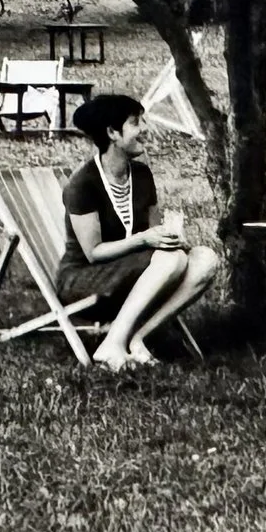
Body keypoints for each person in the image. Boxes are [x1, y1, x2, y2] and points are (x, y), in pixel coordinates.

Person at [59, 93, 222, 371]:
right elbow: (94, 252)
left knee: (205, 258)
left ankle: (136, 338)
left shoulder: (142, 175)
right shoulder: (84, 184)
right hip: (84, 279)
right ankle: (111, 346)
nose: (144, 128)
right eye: (136, 122)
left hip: (133, 273)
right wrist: (146, 240)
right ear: (112, 132)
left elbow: (153, 232)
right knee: (172, 259)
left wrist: (170, 238)